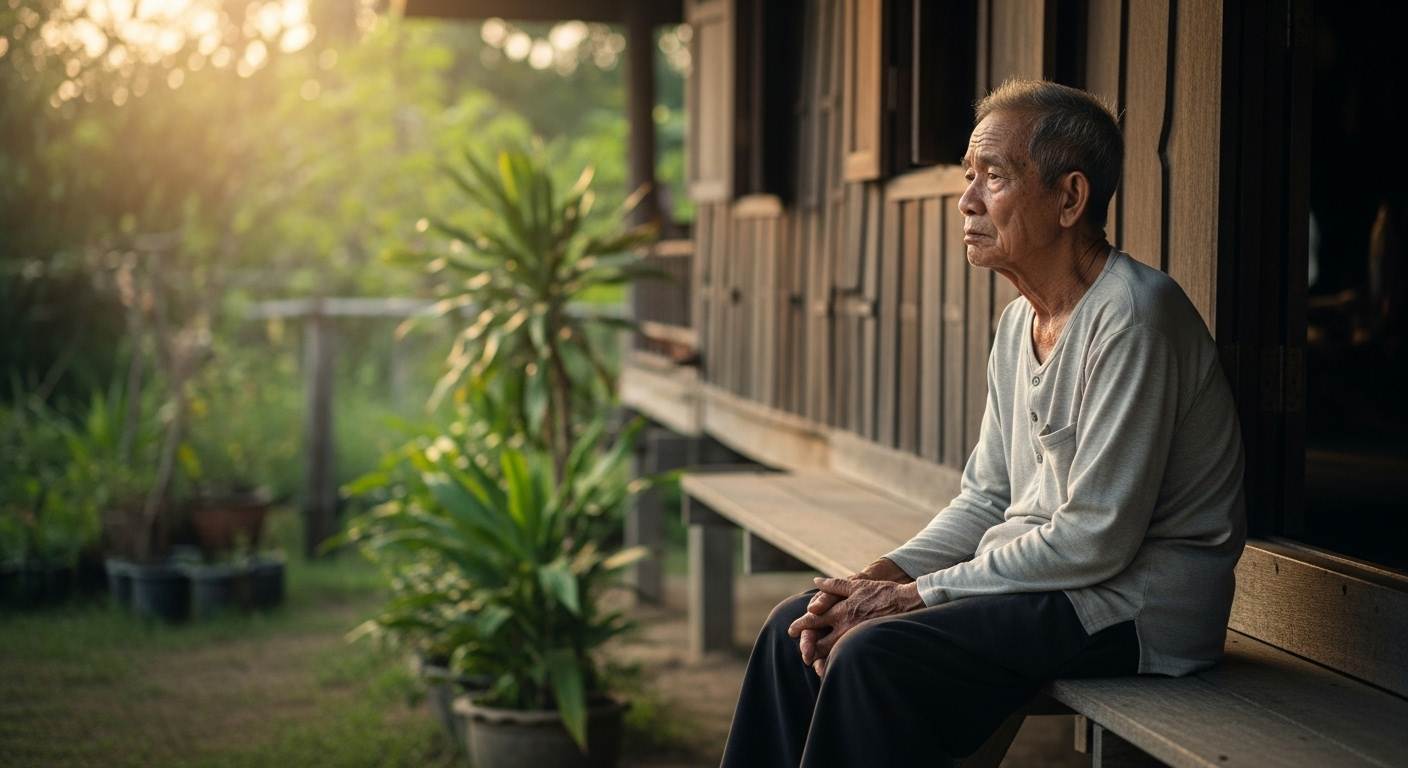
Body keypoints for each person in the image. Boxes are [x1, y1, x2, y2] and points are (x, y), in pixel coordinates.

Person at [718, 79, 1246, 768]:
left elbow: (1096, 540)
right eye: (969, 176)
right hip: (1048, 585)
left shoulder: (1134, 317)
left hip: (1133, 606)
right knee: (799, 623)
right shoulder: (1017, 322)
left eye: (993, 176)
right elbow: (985, 499)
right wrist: (871, 578)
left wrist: (910, 596)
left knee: (873, 653)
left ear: (1070, 198)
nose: (966, 200)